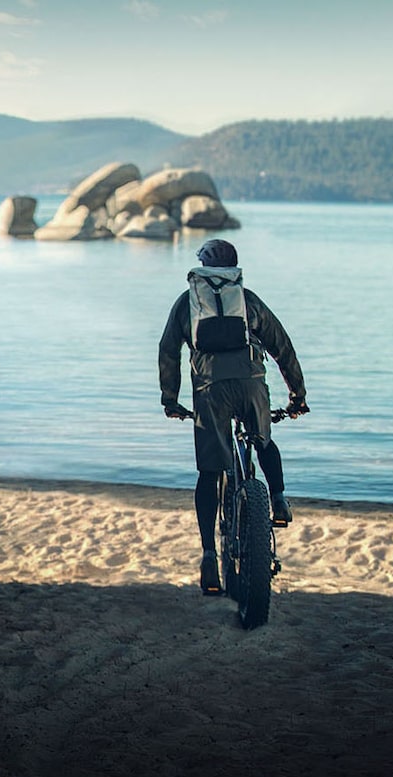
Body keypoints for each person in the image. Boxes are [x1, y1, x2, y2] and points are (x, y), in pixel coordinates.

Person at [158, 238, 309, 595]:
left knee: (210, 472)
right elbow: (281, 346)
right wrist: (297, 394)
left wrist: (170, 399)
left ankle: (209, 555)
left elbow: (168, 351)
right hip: (251, 386)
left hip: (210, 392)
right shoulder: (247, 300)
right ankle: (279, 499)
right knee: (263, 440)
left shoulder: (188, 303)